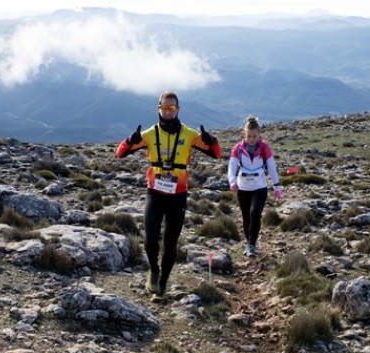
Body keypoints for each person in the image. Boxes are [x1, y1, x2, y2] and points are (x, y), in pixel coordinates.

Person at [116, 91, 222, 299]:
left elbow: (216, 154)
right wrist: (130, 140)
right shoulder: (149, 134)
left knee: (171, 242)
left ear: (178, 110)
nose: (167, 111)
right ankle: (153, 271)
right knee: (151, 240)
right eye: (164, 108)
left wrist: (212, 140)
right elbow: (120, 153)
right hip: (155, 193)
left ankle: (162, 284)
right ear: (159, 109)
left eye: (171, 108)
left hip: (178, 195)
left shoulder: (189, 134)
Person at [227, 116, 282, 257]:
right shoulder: (237, 149)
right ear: (244, 134)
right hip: (242, 188)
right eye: (249, 136)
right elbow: (231, 167)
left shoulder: (265, 148)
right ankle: (249, 243)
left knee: (254, 213)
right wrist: (232, 181)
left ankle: (251, 245)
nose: (251, 139)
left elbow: (272, 168)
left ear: (259, 135)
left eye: (254, 136)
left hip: (260, 188)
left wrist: (277, 186)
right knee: (246, 217)